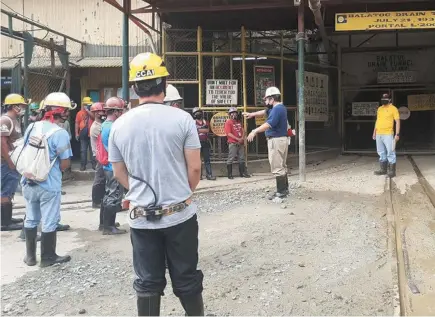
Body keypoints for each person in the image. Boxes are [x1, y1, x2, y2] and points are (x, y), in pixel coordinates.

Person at [108, 52, 204, 316]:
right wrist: (182, 194)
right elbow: (194, 167)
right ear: (163, 83)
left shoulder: (119, 125)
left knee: (148, 282)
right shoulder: (183, 119)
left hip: (141, 219)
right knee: (186, 277)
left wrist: (137, 192)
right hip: (180, 216)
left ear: (135, 87)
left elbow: (118, 172)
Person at [21, 92, 74, 267]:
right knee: (49, 219)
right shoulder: (60, 133)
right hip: (48, 184)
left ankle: (30, 257)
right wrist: (52, 172)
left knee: (31, 217)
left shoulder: (31, 127)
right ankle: (48, 257)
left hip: (28, 181)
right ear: (63, 112)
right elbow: (65, 163)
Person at [245, 87, 289, 199]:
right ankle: (285, 189)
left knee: (277, 166)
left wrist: (254, 131)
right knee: (282, 165)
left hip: (276, 140)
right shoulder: (279, 108)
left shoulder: (277, 109)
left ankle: (281, 192)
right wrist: (252, 114)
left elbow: (269, 124)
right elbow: (264, 111)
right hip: (281, 140)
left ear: (272, 99)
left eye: (266, 99)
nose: (265, 102)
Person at [100, 97, 127, 235]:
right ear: (116, 111)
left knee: (107, 193)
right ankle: (109, 226)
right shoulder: (113, 126)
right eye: (121, 111)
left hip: (107, 166)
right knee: (114, 194)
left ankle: (104, 223)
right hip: (113, 166)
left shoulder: (105, 125)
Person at [1, 94, 27, 231]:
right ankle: (4, 223)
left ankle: (7, 217)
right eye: (21, 106)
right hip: (5, 162)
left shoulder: (14, 120)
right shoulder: (5, 120)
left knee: (10, 189)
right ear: (13, 106)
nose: (22, 108)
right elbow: (2, 143)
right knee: (5, 190)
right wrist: (10, 162)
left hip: (12, 161)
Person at [373, 93, 400, 178]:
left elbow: (397, 122)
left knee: (390, 151)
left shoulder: (393, 109)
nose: (383, 100)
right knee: (381, 152)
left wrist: (397, 134)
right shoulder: (380, 109)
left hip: (388, 134)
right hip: (379, 133)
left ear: (389, 100)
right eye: (382, 98)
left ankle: (392, 172)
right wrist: (374, 132)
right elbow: (377, 121)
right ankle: (383, 170)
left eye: (386, 98)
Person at [224, 107, 250, 179]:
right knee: (231, 158)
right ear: (230, 114)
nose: (234, 114)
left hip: (240, 142)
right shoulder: (228, 122)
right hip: (233, 143)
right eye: (232, 113)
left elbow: (243, 130)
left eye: (235, 113)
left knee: (242, 158)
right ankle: (230, 175)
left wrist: (242, 138)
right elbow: (228, 133)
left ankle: (242, 173)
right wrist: (238, 139)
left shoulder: (238, 122)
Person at [89, 102, 107, 209]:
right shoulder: (96, 127)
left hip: (103, 154)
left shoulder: (102, 124)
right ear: (95, 113)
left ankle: (101, 199)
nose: (103, 113)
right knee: (99, 178)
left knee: (103, 179)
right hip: (99, 155)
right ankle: (96, 201)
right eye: (101, 111)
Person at [192, 107, 216, 181]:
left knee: (207, 160)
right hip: (196, 143)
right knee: (198, 161)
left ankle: (209, 175)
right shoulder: (192, 122)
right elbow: (193, 131)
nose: (198, 114)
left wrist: (198, 130)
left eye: (199, 112)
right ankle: (199, 176)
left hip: (205, 142)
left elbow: (207, 130)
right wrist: (202, 129)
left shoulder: (205, 121)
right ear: (194, 115)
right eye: (196, 113)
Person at [75, 96, 95, 171]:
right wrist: (76, 133)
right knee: (83, 150)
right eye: (88, 105)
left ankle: (94, 164)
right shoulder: (79, 113)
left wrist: (88, 110)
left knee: (92, 149)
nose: (89, 106)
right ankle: (83, 165)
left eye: (90, 105)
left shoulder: (92, 112)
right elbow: (77, 123)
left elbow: (93, 117)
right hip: (83, 133)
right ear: (84, 104)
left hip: (91, 133)